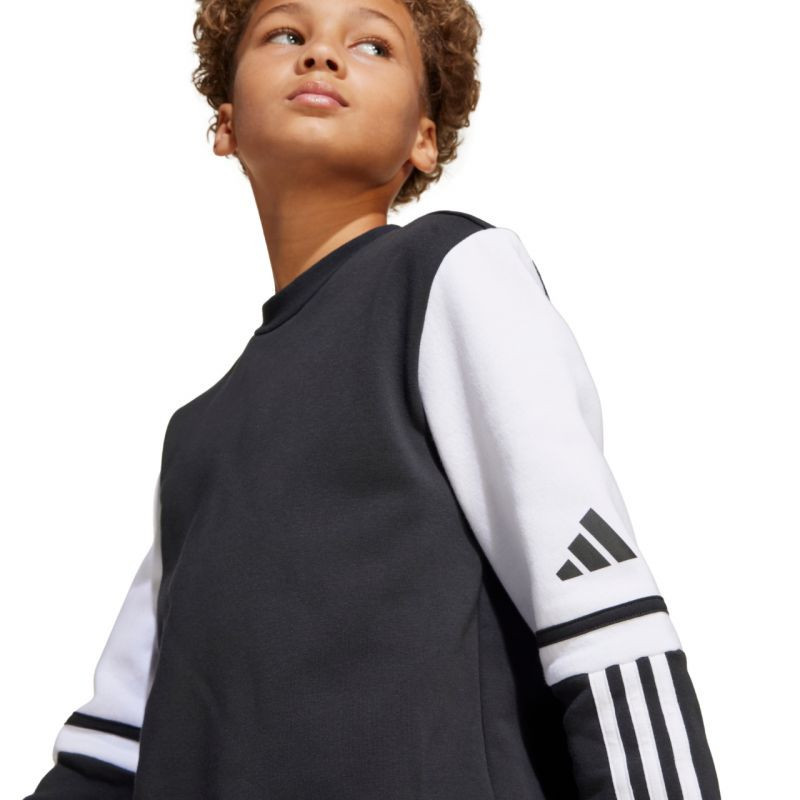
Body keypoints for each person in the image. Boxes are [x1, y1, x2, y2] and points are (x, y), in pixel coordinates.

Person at [23, 1, 721, 798]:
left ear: (424, 139)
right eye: (287, 34)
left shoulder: (448, 272)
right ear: (226, 123)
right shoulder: (195, 438)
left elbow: (599, 608)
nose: (321, 54)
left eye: (372, 45)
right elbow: (112, 749)